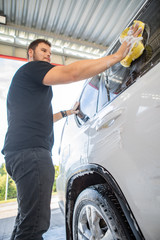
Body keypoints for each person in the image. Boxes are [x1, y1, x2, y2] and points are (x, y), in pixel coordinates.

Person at [1, 23, 142, 240]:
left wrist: (68, 112)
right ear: (31, 53)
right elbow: (71, 72)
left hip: (19, 154)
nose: (48, 55)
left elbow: (45, 118)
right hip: (31, 154)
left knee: (26, 220)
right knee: (34, 225)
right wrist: (117, 56)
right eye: (43, 51)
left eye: (50, 52)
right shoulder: (32, 69)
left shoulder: (26, 84)